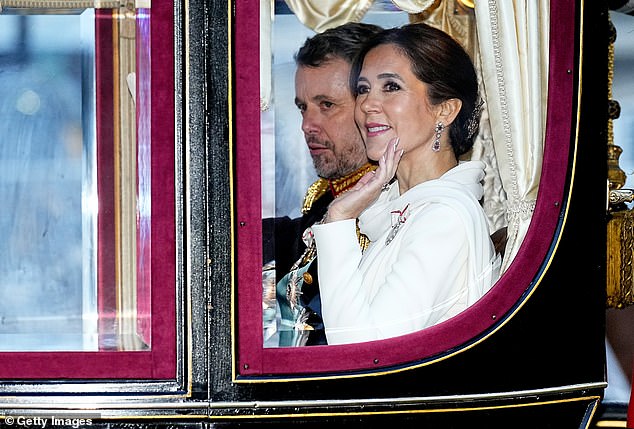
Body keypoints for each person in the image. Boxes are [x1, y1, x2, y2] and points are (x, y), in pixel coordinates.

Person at [310, 23, 501, 345]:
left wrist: (339, 219)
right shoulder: (400, 210)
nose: (367, 104)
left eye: (391, 87)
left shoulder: (444, 218)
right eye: (362, 89)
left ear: (445, 109)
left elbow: (362, 353)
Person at [262, 22, 383, 347]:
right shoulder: (328, 196)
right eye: (303, 107)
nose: (307, 126)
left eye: (326, 105)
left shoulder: (392, 208)